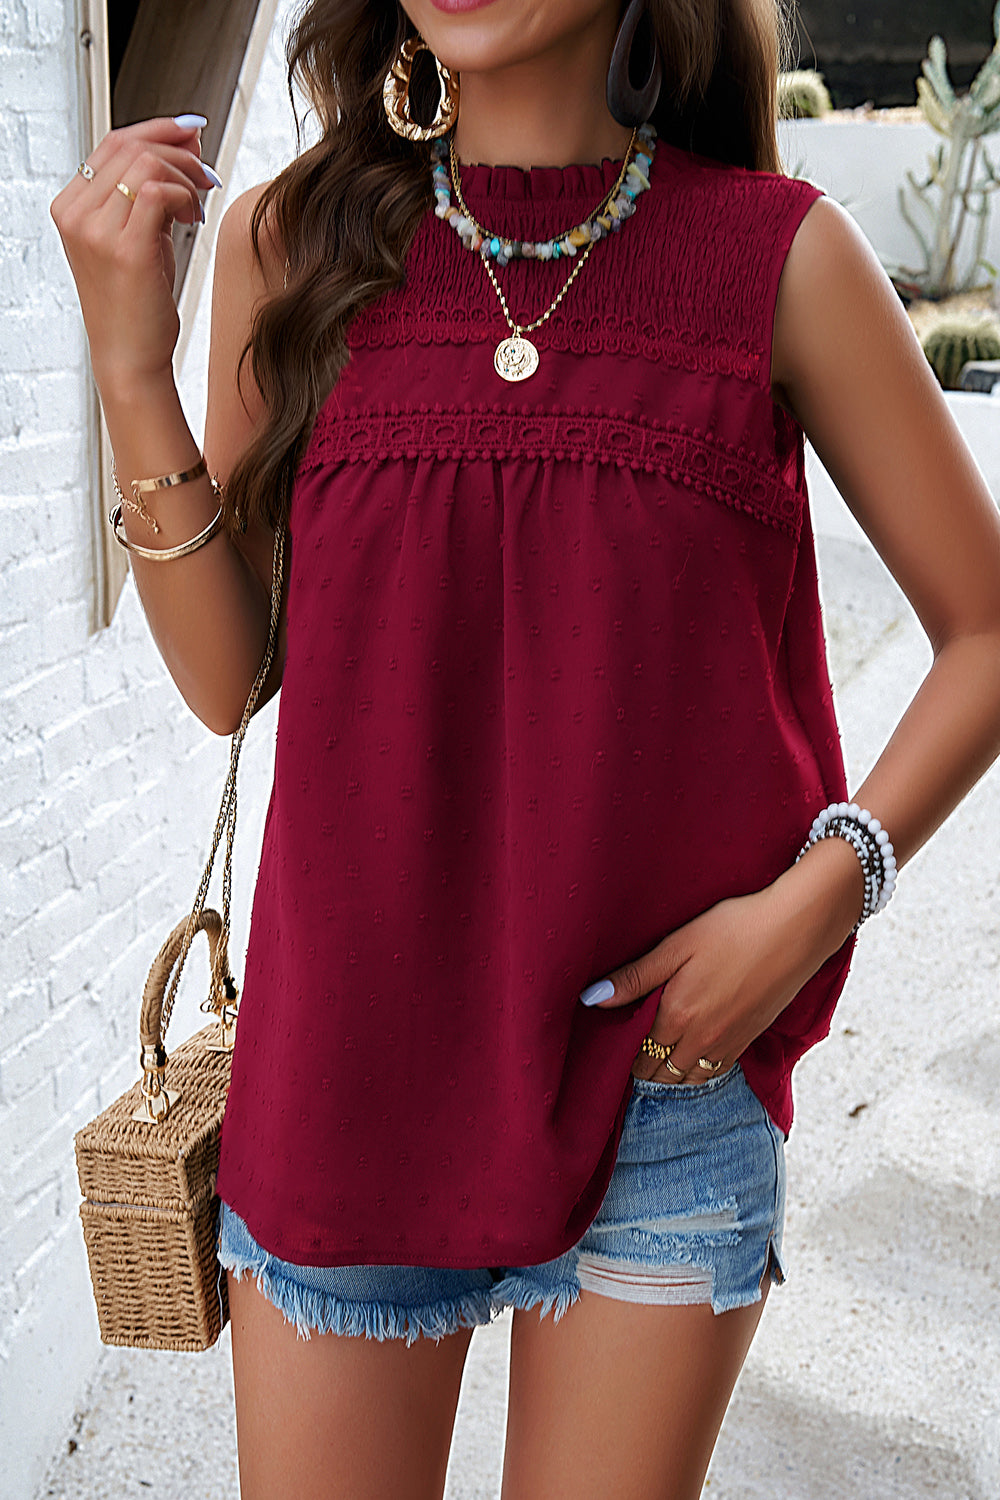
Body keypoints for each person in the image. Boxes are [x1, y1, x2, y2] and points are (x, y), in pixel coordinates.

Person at [51, 1, 1000, 1496]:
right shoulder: (290, 246)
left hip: (666, 1078)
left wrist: (821, 900)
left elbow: (986, 630)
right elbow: (232, 681)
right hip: (347, 1071)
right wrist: (129, 368)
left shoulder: (778, 257)